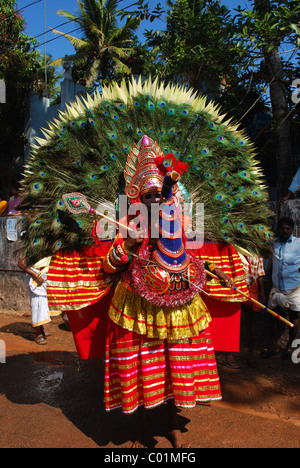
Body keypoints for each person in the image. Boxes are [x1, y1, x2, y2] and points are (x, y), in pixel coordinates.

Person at [101, 136, 235, 448]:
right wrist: (128, 247)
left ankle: (173, 425)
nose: (156, 202)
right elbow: (107, 268)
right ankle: (143, 424)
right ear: (136, 197)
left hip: (177, 305)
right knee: (143, 366)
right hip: (137, 309)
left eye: (160, 195)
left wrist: (217, 272)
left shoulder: (179, 221)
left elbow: (191, 255)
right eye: (149, 196)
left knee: (175, 366)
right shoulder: (126, 223)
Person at [261, 217, 300, 360]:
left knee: (295, 316)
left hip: (294, 288)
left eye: (287, 228)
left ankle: (290, 346)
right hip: (277, 288)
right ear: (278, 229)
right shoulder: (272, 244)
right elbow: (266, 262)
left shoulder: (298, 244)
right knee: (272, 316)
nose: (285, 230)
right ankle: (274, 345)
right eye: (282, 228)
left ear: (292, 229)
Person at [18, 255, 51, 345]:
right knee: (39, 305)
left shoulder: (50, 244)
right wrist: (35, 274)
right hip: (36, 279)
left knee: (47, 306)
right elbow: (21, 263)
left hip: (48, 277)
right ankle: (38, 333)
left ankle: (41, 327)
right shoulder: (30, 244)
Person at [240, 255, 266, 367]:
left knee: (251, 321)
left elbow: (259, 272)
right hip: (237, 286)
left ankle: (250, 354)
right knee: (234, 320)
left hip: (252, 287)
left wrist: (261, 290)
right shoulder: (236, 248)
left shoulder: (257, 252)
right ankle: (229, 354)